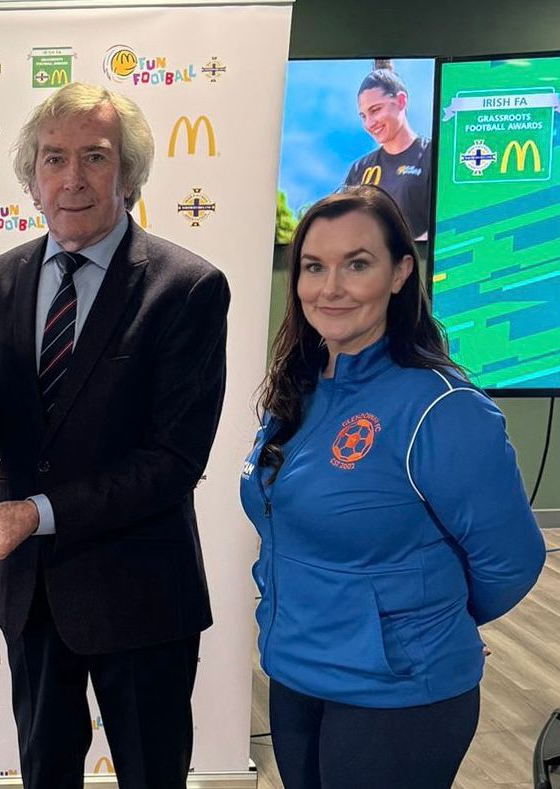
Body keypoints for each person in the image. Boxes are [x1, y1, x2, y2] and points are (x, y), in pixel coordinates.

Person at [0, 82, 230, 788]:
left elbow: (171, 461)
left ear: (127, 175)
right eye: (52, 158)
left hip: (141, 592)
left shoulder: (186, 287)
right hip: (30, 592)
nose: (71, 178)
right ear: (31, 176)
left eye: (94, 157)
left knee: (151, 773)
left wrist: (33, 514)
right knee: (45, 772)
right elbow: (15, 429)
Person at [241, 185, 544, 789]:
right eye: (313, 267)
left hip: (399, 694)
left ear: (401, 272)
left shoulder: (442, 409)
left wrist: (428, 624)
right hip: (297, 673)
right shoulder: (298, 391)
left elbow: (512, 560)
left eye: (357, 264)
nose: (330, 288)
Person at [343, 64, 432, 240]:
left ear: (401, 101)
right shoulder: (359, 170)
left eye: (375, 110)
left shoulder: (433, 156)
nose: (369, 123)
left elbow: (448, 224)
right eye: (363, 116)